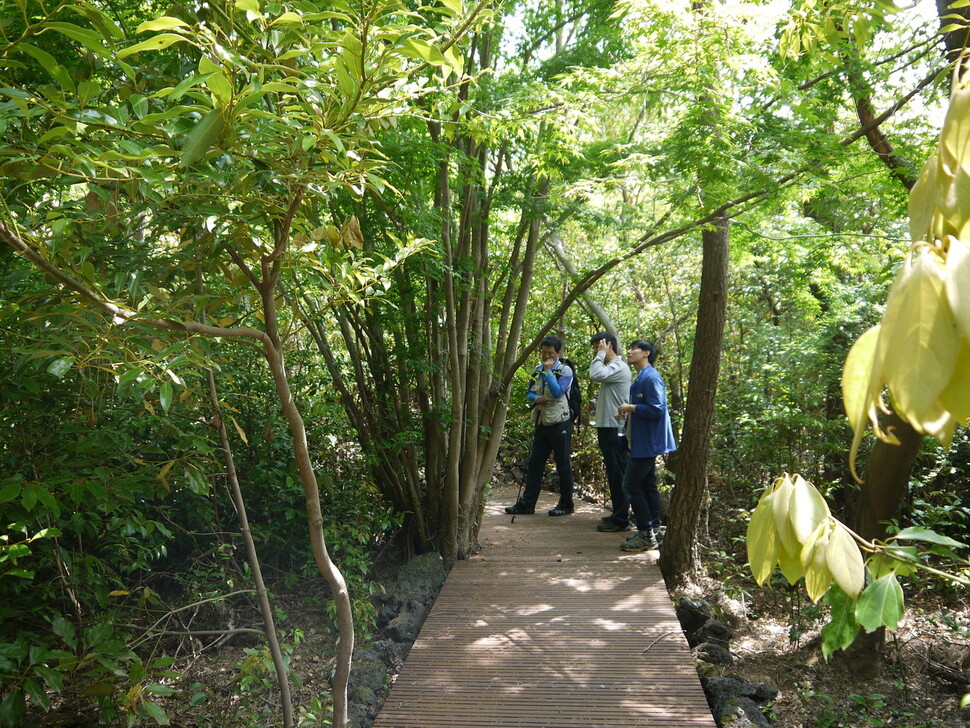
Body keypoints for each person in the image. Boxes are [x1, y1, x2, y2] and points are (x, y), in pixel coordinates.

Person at [615, 339, 677, 552]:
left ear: (646, 353)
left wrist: (631, 407)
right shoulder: (641, 377)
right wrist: (628, 410)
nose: (630, 351)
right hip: (642, 441)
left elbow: (657, 409)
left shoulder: (651, 377)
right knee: (647, 484)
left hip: (648, 443)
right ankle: (655, 530)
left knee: (630, 485)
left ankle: (646, 535)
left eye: (634, 349)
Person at [505, 335, 576, 517]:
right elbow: (529, 392)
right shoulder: (537, 370)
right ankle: (527, 504)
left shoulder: (565, 371)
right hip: (541, 421)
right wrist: (535, 398)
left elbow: (557, 391)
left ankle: (566, 504)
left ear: (558, 353)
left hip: (560, 422)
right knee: (535, 464)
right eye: (544, 353)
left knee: (562, 465)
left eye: (551, 353)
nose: (546, 357)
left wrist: (550, 371)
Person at [588, 332, 633, 532]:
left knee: (617, 472)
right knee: (614, 472)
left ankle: (622, 518)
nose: (596, 351)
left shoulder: (618, 366)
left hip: (615, 429)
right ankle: (618, 512)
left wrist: (600, 355)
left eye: (599, 346)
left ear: (609, 346)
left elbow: (595, 375)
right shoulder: (612, 368)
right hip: (608, 426)